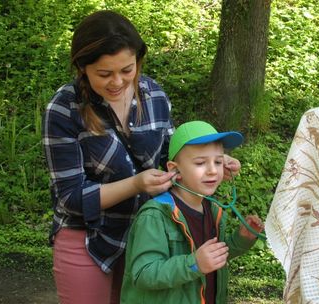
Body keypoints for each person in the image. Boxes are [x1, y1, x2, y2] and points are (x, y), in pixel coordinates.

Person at [42, 11, 240, 304]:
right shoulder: (63, 109)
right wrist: (136, 184)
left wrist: (208, 165)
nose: (117, 82)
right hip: (88, 239)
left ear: (138, 61)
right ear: (82, 68)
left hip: (152, 235)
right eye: (104, 74)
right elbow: (69, 198)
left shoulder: (154, 95)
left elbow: (170, 157)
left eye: (127, 70)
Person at [120, 121, 264, 304]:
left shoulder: (212, 210)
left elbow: (212, 257)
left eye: (218, 161)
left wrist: (242, 239)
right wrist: (194, 264)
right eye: (200, 163)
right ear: (174, 169)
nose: (212, 170)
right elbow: (143, 273)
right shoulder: (155, 215)